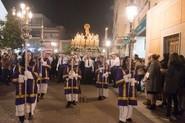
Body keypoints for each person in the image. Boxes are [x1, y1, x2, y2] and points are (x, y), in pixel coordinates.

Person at [12, 52, 38, 123]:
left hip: (31, 89)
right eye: (26, 55)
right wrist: (19, 79)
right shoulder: (18, 66)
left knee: (30, 105)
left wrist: (30, 74)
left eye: (29, 55)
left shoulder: (34, 65)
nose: (28, 57)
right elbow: (13, 79)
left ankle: (30, 114)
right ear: (23, 56)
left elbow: (38, 77)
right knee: (20, 105)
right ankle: (22, 120)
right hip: (21, 90)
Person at [164, 53, 182, 121]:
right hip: (177, 85)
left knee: (169, 100)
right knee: (175, 99)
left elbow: (169, 75)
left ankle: (168, 113)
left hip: (171, 85)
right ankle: (175, 111)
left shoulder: (171, 65)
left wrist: (165, 72)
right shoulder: (180, 65)